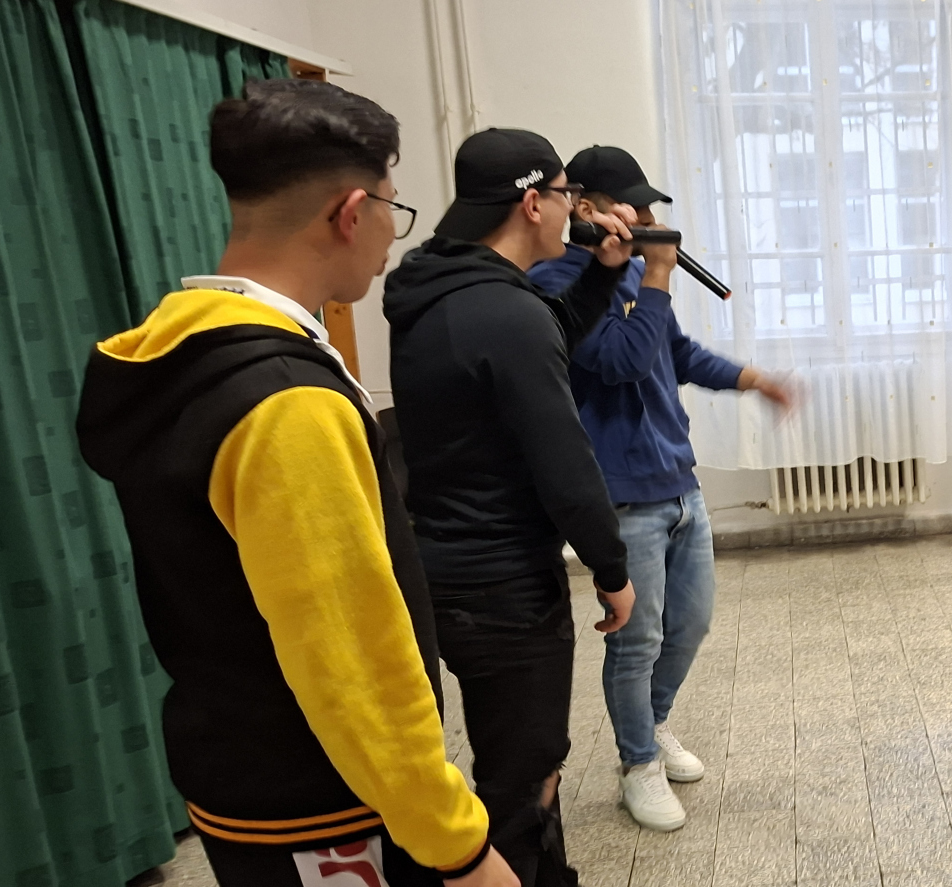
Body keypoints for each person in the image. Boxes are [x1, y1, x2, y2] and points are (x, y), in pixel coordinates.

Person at [76, 80, 512, 886]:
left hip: (238, 767)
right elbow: (350, 660)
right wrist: (460, 845)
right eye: (391, 208)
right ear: (351, 211)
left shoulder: (180, 351)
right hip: (326, 805)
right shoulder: (286, 401)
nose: (390, 236)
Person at [384, 128, 646, 885]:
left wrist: (602, 275)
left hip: (440, 565)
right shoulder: (505, 313)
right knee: (525, 775)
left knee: (509, 763)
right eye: (566, 195)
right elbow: (564, 462)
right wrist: (611, 568)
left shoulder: (437, 288)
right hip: (505, 584)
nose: (573, 210)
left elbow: (542, 337)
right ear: (533, 203)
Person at [523, 146, 790, 831]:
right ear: (585, 207)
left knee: (690, 623)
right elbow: (621, 360)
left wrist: (752, 379)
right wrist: (660, 276)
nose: (647, 219)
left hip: (679, 482)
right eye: (634, 206)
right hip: (622, 494)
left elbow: (673, 353)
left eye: (649, 208)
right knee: (636, 640)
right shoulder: (556, 283)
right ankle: (637, 762)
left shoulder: (641, 275)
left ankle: (653, 721)